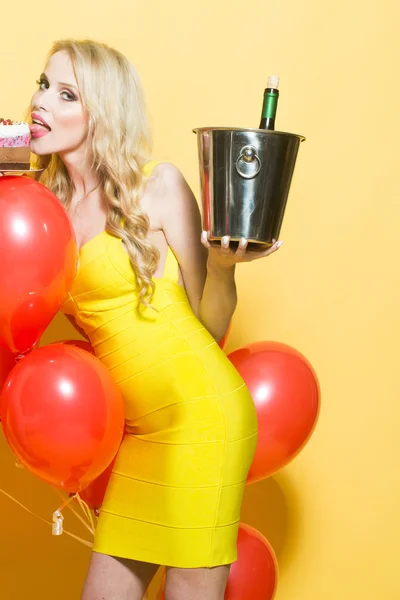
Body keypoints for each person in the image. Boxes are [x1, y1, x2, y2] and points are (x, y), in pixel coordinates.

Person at [25, 39, 282, 600]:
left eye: (65, 94)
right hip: (139, 435)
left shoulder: (157, 186)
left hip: (202, 419)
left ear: (102, 113)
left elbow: (210, 329)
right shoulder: (40, 209)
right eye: (43, 85)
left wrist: (222, 267)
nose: (41, 102)